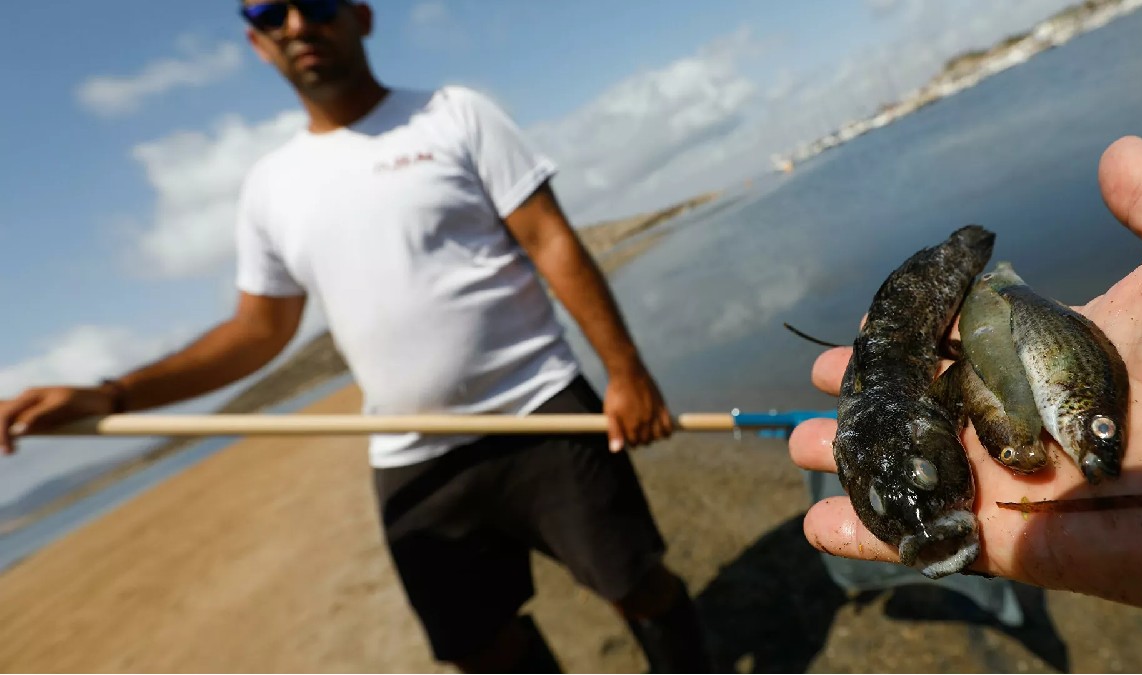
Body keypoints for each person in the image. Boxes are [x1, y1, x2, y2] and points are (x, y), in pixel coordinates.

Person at [0, 1, 714, 671]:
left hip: (541, 408)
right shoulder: (271, 186)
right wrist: (110, 392)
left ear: (362, 16)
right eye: (268, 11)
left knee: (637, 585)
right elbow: (257, 330)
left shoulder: (453, 114)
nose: (298, 21)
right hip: (411, 451)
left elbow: (548, 239)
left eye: (317, 0)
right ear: (256, 41)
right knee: (480, 645)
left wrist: (627, 371)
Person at [789, 134, 1142, 623]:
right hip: (893, 370)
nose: (923, 521)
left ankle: (965, 254)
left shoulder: (928, 415)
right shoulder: (909, 436)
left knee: (966, 254)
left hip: (895, 356)